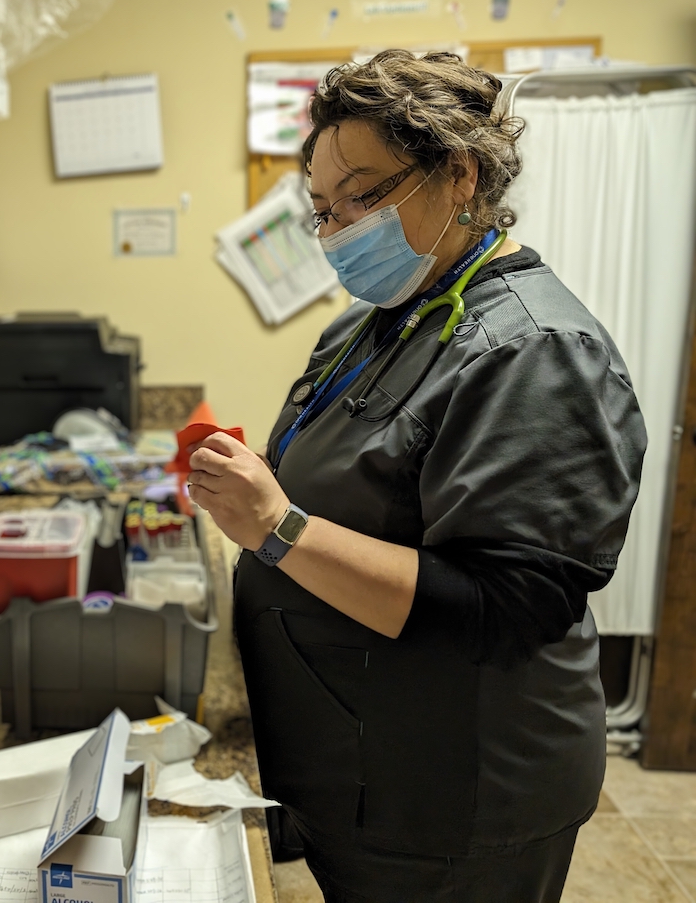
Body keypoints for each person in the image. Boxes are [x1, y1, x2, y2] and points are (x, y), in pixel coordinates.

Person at [186, 50, 647, 902]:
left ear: (459, 173)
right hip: (357, 766)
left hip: (453, 798)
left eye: (363, 195)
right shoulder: (375, 327)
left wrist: (280, 530)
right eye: (322, 210)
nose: (337, 229)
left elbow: (506, 609)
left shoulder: (536, 353)